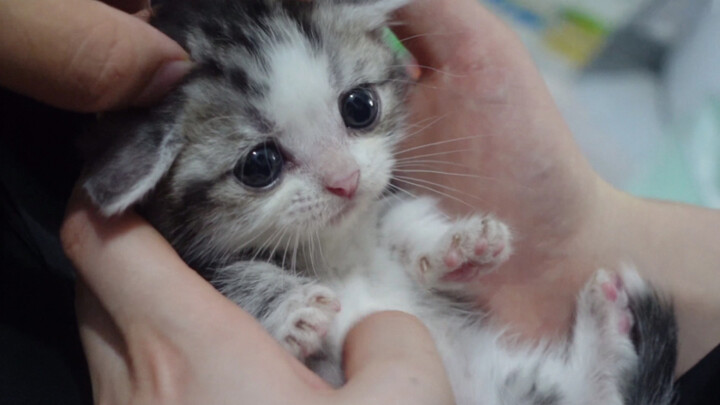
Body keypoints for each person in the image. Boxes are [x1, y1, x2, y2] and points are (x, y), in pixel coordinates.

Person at [1, 0, 718, 404]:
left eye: (359, 107)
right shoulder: (222, 254)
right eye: (260, 164)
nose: (346, 177)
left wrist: (569, 232)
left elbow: (389, 230)